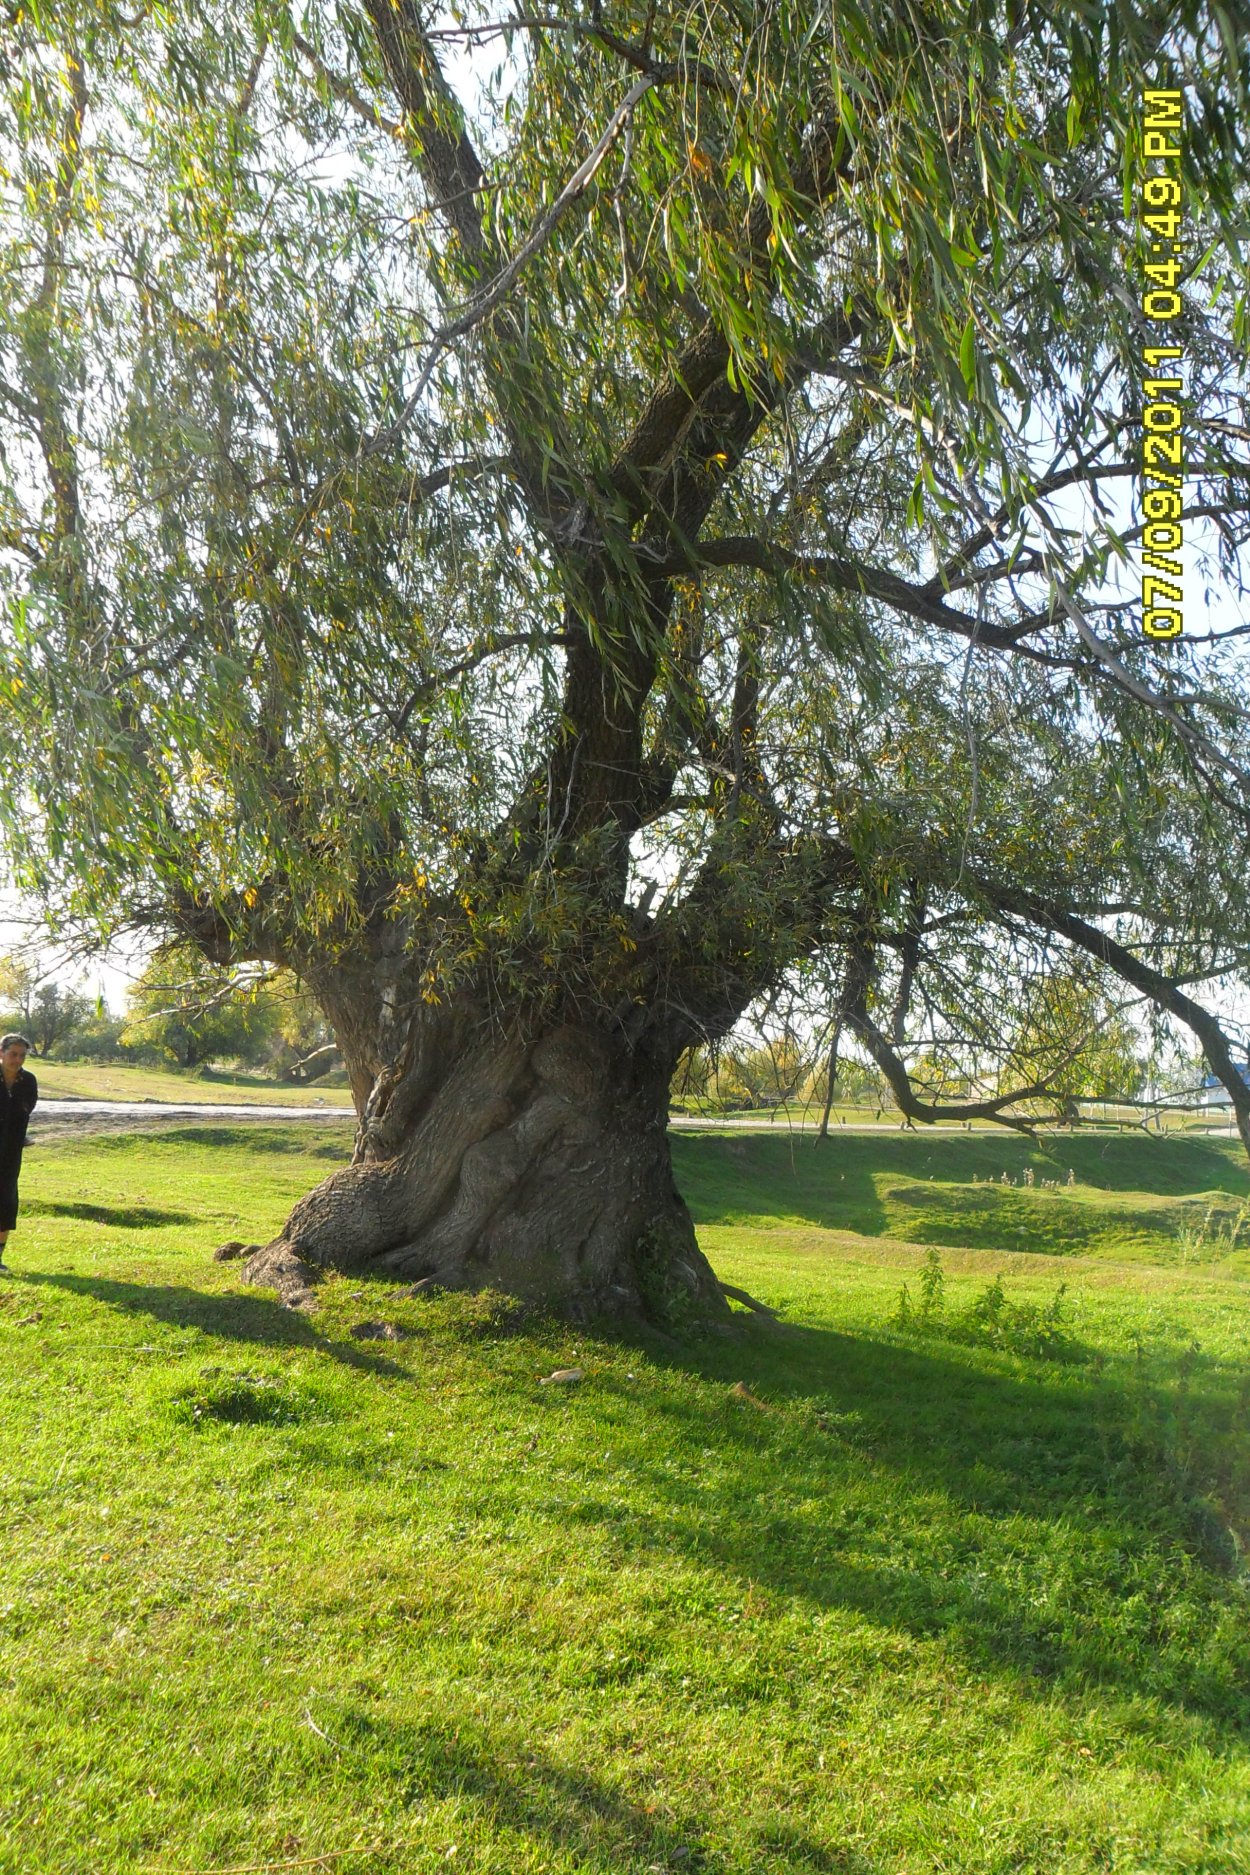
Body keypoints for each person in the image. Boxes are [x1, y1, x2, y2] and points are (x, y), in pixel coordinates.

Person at [0, 1034, 37, 1273]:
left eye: (22, 1055)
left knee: (6, 1202)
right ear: (1, 1053)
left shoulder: (29, 1081)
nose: (17, 1060)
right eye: (13, 1054)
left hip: (11, 1151)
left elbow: (26, 1110)